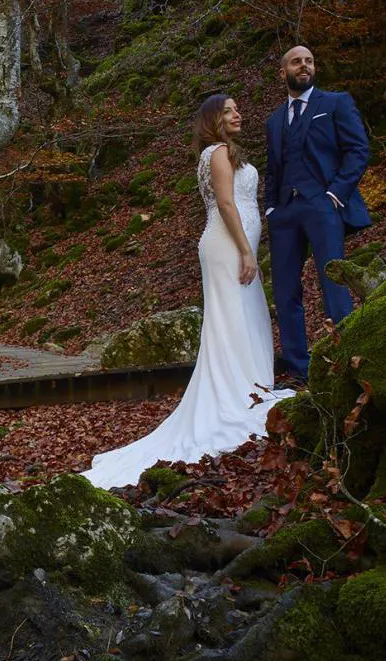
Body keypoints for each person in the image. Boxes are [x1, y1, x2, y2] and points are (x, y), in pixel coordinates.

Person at [83, 95, 294, 490]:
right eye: (229, 110)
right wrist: (247, 251)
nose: (238, 114)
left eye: (237, 109)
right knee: (232, 318)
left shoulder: (224, 152)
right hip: (227, 245)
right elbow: (228, 204)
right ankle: (237, 395)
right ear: (213, 119)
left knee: (246, 316)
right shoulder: (216, 153)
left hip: (234, 245)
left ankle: (250, 387)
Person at [264, 45, 370, 385]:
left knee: (333, 281)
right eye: (296, 61)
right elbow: (272, 169)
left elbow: (358, 150)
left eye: (309, 61)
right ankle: (299, 369)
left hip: (323, 204)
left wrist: (335, 194)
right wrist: (271, 208)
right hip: (285, 212)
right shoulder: (275, 120)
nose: (304, 65)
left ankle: (346, 359)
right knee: (284, 290)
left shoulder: (335, 103)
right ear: (283, 72)